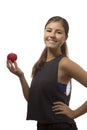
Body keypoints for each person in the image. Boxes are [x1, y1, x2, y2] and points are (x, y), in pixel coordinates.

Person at [6, 16, 87, 130]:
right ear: (44, 33)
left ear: (66, 38)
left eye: (58, 32)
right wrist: (21, 76)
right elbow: (32, 99)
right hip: (42, 126)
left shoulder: (64, 63)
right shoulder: (40, 64)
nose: (52, 35)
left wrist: (75, 113)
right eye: (49, 30)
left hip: (61, 126)